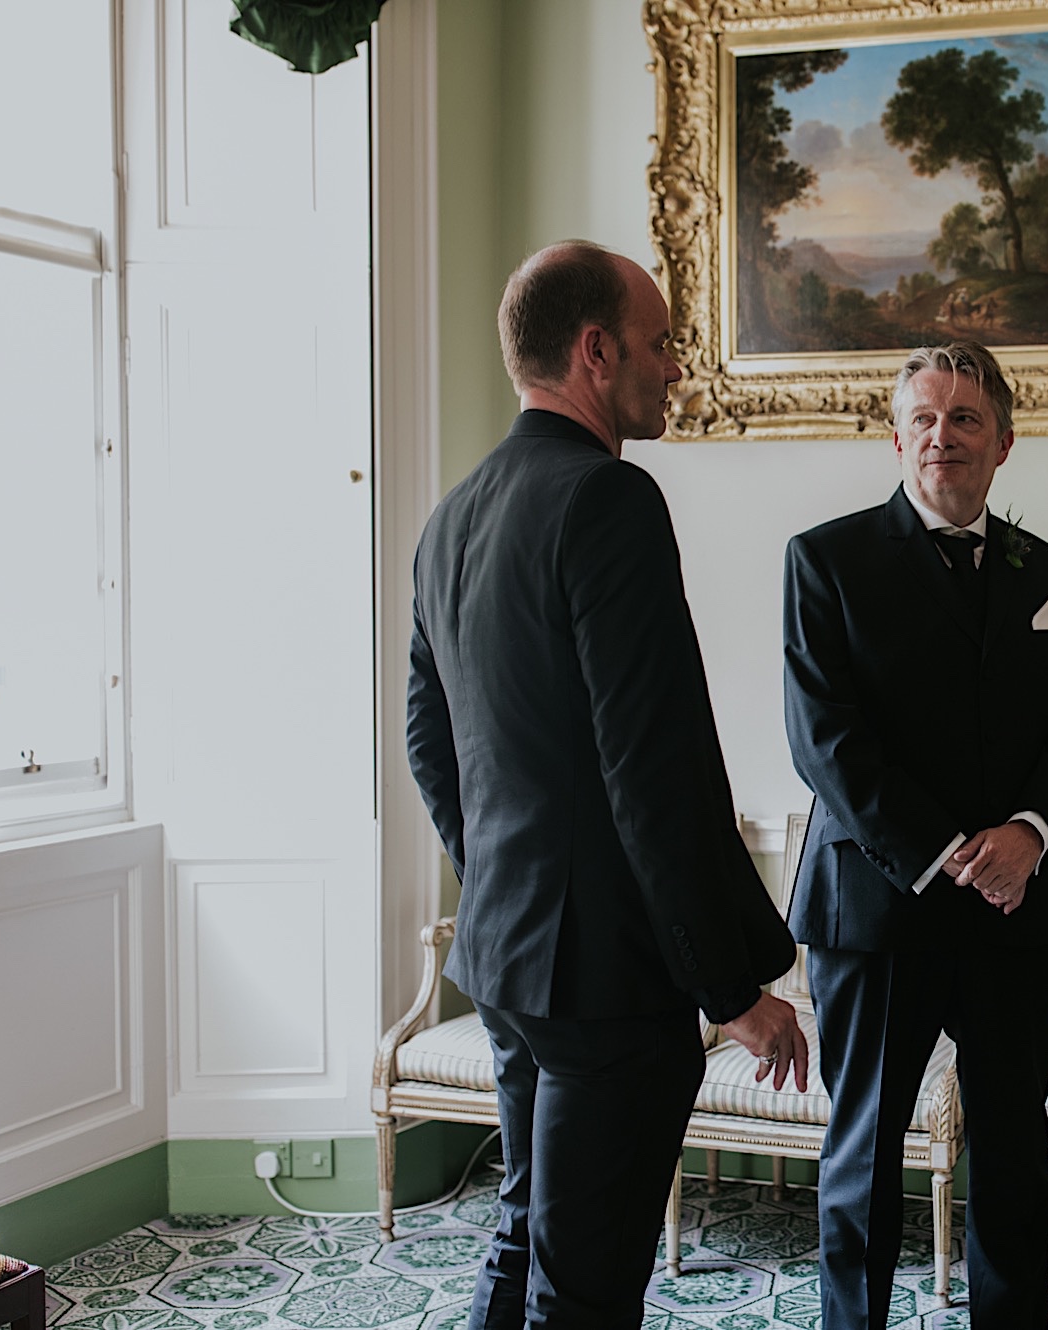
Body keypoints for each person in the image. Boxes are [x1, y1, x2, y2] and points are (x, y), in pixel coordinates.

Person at [407, 240, 809, 1330]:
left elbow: (429, 743)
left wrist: (506, 879)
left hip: (507, 958)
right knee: (584, 1292)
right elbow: (654, 768)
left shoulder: (452, 517)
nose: (675, 365)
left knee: (526, 1235)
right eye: (660, 342)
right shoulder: (609, 499)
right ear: (596, 351)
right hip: (605, 985)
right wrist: (731, 991)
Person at [782, 341, 1048, 1330]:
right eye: (923, 418)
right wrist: (947, 854)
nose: (943, 435)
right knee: (862, 1156)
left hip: (1017, 909)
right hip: (877, 909)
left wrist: (1028, 834)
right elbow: (826, 743)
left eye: (965, 417)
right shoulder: (825, 561)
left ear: (1003, 441)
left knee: (1013, 1157)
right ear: (896, 440)